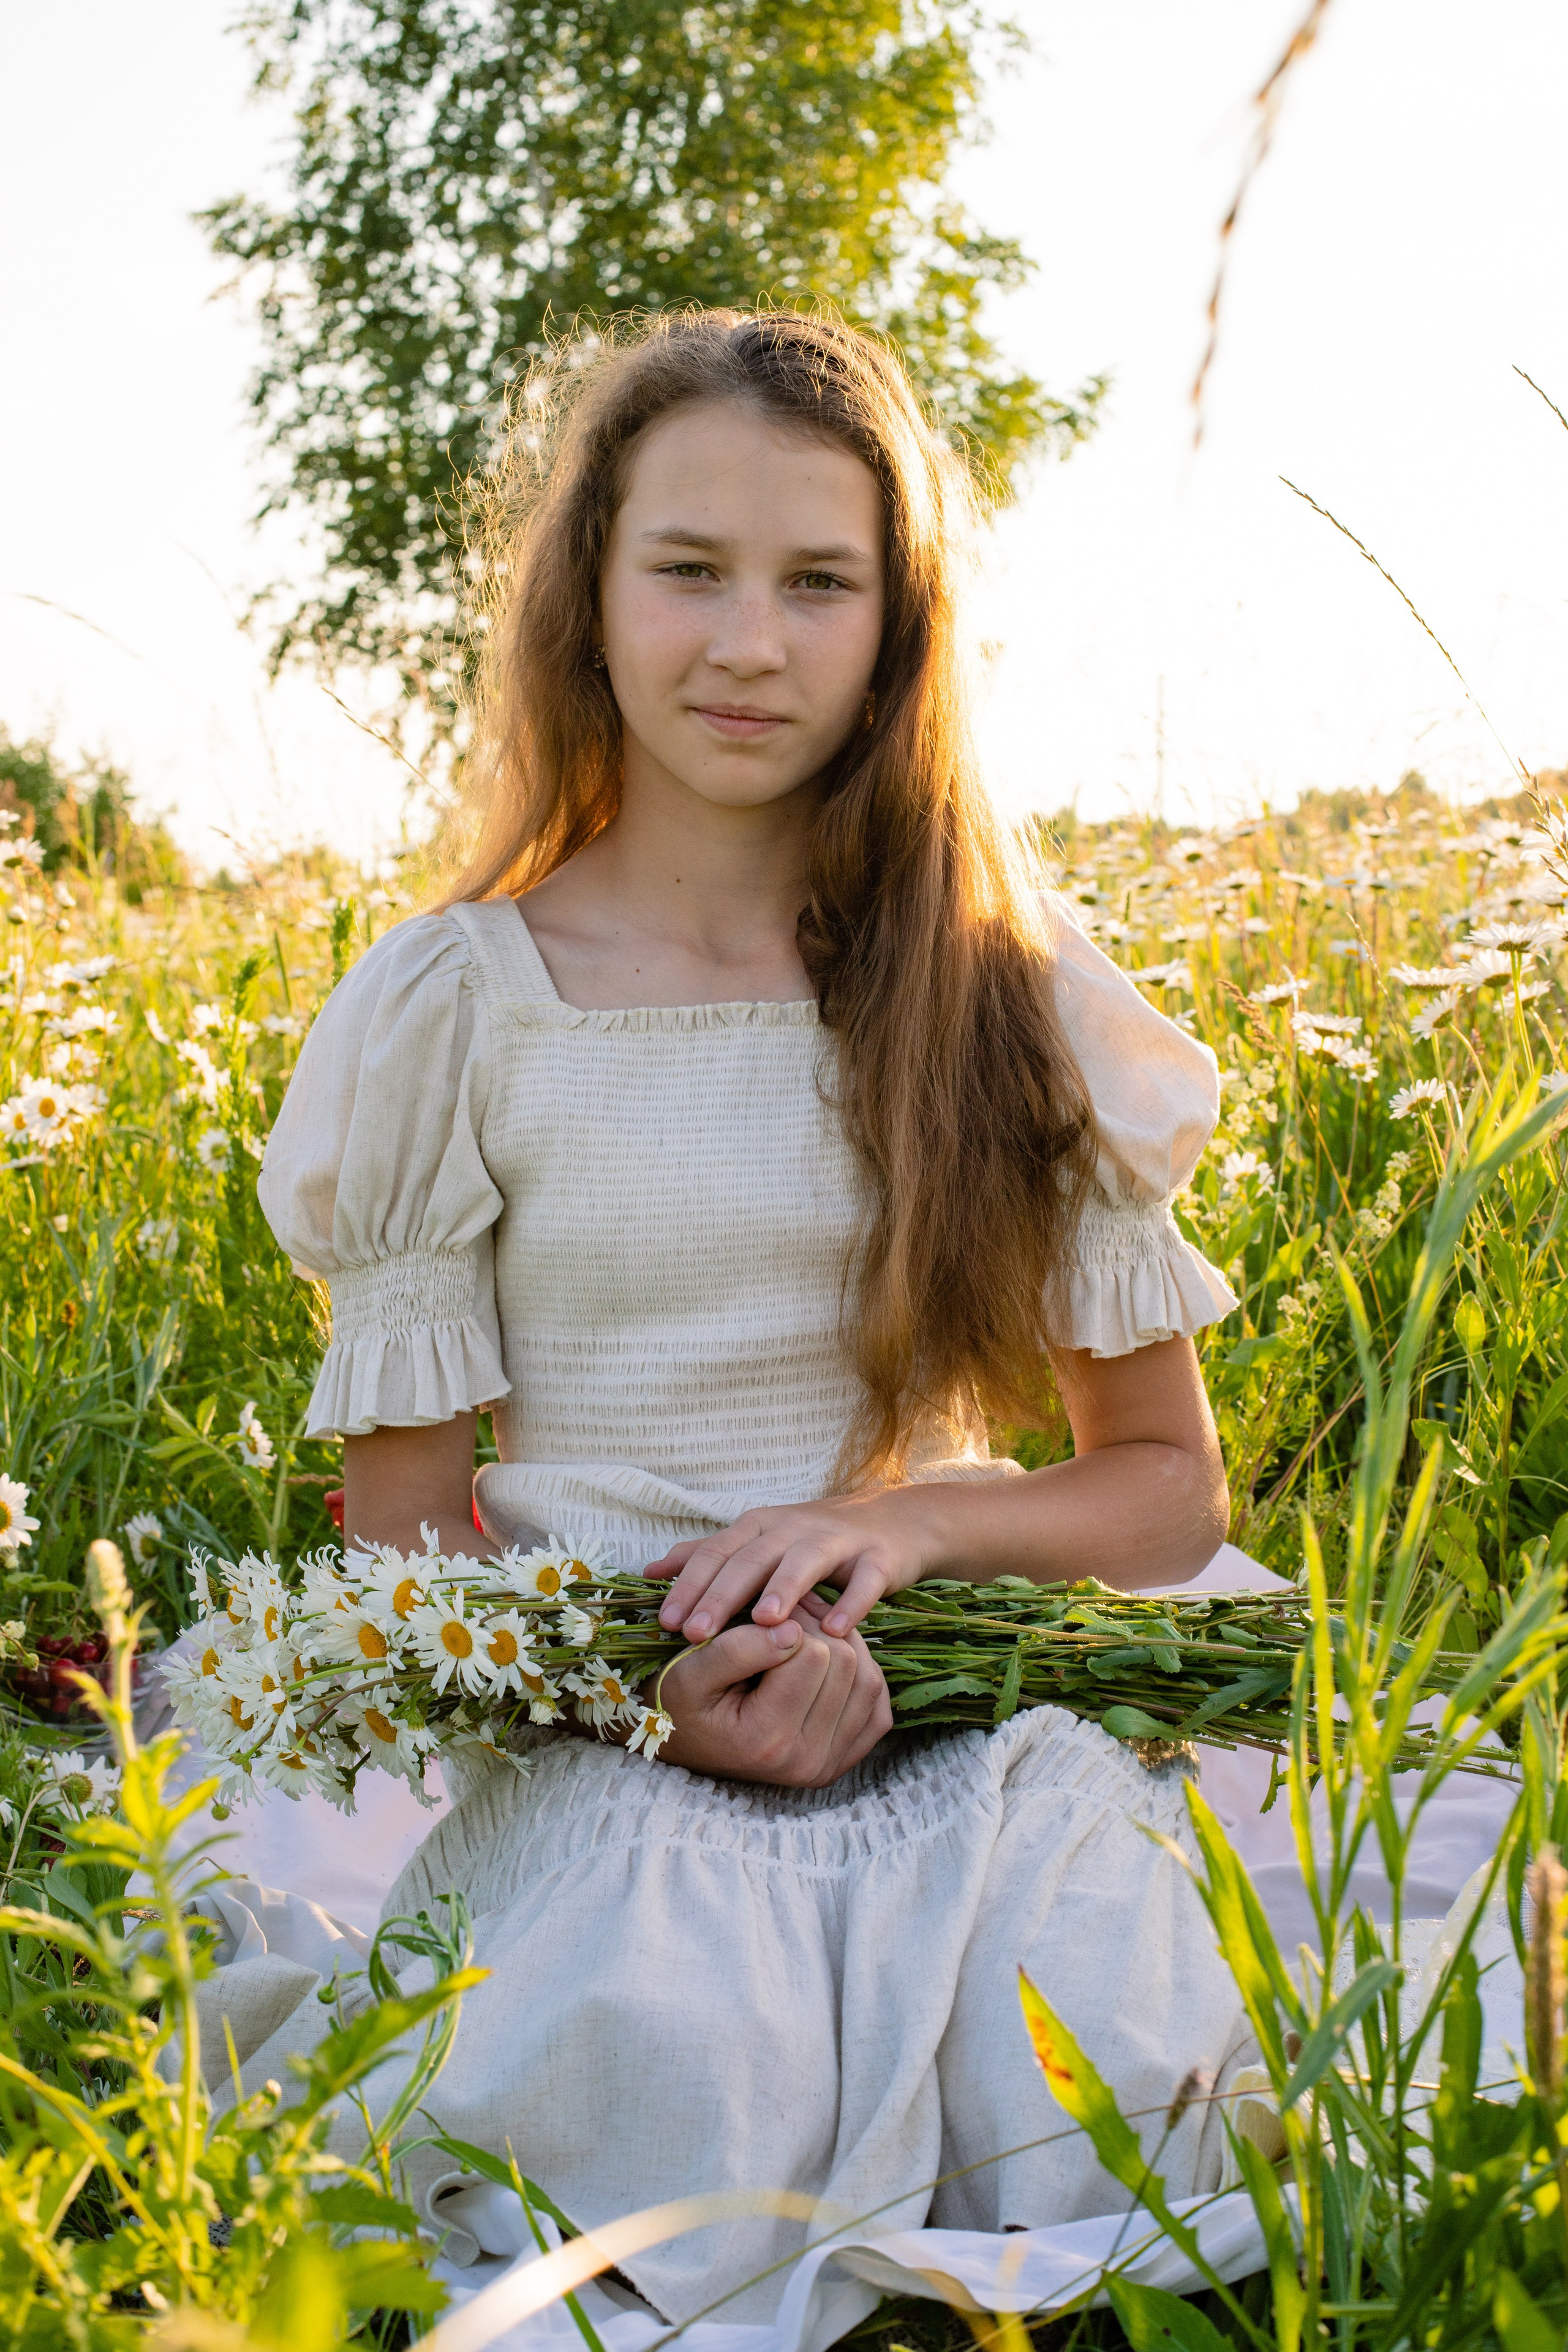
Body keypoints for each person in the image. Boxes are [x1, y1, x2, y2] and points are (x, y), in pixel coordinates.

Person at [244, 309, 1254, 2323]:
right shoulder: (461, 1008)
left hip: (947, 1677)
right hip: (610, 1677)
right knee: (673, 2025)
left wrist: (900, 1527)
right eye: (688, 570)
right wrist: (641, 1695)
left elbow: (1163, 1498)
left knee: (1105, 1990)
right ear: (590, 595)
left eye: (821, 584)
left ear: (898, 628)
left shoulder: (1000, 988)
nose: (749, 644)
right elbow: (405, 1534)